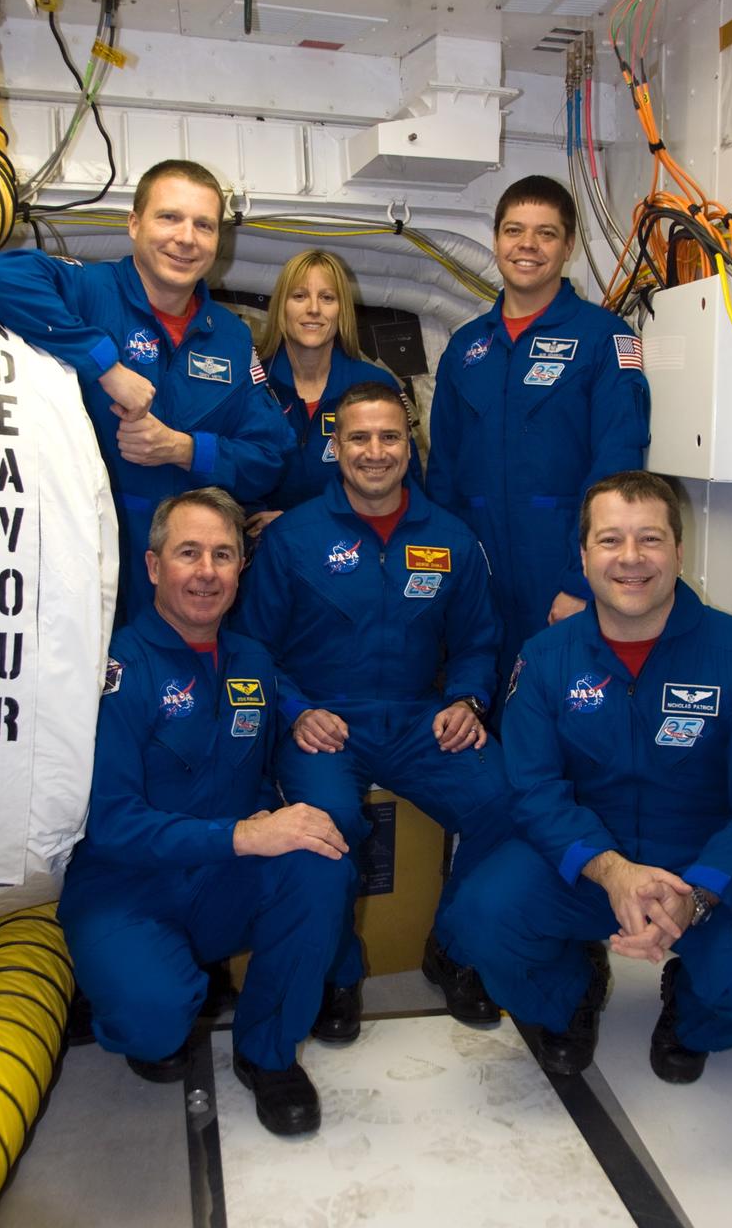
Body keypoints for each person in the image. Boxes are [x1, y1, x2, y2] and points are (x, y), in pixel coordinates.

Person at [437, 471, 732, 1083]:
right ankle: (571, 994)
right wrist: (610, 870)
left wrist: (701, 892)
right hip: (581, 864)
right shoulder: (546, 657)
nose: (630, 559)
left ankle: (688, 1013)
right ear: (582, 557)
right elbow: (534, 790)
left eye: (650, 540)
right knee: (478, 919)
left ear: (679, 551)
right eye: (610, 541)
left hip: (700, 871)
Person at [58, 488, 354, 1137]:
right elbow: (109, 823)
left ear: (240, 568)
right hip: (127, 886)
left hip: (221, 879)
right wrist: (245, 834)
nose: (206, 571)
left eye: (223, 554)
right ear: (154, 565)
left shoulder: (252, 661)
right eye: (188, 553)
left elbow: (280, 714)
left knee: (322, 858)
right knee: (154, 1023)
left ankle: (267, 1053)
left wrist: (304, 719)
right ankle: (113, 984)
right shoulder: (116, 672)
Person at [234, 380, 514, 1042]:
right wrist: (296, 709)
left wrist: (467, 699)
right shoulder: (293, 539)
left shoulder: (449, 538)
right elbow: (248, 651)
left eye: (389, 436)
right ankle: (337, 973)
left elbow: (478, 641)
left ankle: (456, 948)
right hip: (322, 722)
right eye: (358, 437)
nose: (375, 451)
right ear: (335, 447)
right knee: (324, 828)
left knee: (506, 802)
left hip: (419, 717)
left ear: (407, 446)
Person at [0, 159, 292, 619]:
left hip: (187, 583)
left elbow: (269, 459)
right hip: (81, 557)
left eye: (204, 225)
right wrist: (104, 364)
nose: (186, 238)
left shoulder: (231, 336)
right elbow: (1, 278)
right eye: (169, 217)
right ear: (134, 223)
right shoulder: (90, 290)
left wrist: (183, 449)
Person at [427, 175, 651, 719]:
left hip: (560, 574)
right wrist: (438, 576)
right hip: (478, 572)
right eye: (514, 230)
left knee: (566, 721)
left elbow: (618, 470)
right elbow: (443, 474)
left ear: (568, 246)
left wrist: (584, 583)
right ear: (497, 238)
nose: (527, 245)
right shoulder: (466, 347)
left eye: (545, 233)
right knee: (482, 721)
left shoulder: (604, 339)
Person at [246, 248, 421, 536]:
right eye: (299, 296)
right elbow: (227, 474)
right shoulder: (250, 384)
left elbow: (405, 490)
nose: (313, 309)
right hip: (265, 553)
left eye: (327, 298)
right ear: (281, 307)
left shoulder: (376, 387)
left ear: (342, 310)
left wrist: (297, 524)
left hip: (353, 549)